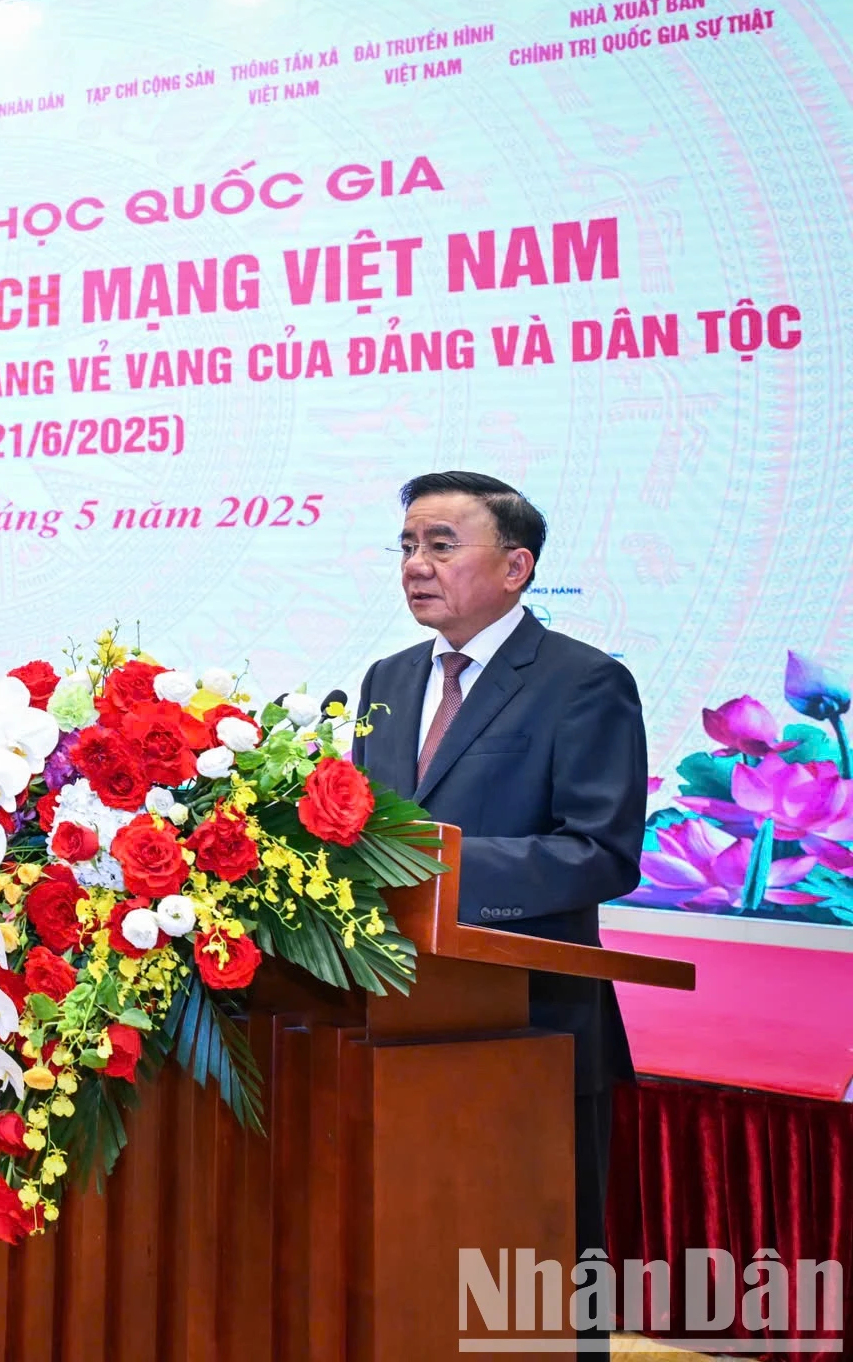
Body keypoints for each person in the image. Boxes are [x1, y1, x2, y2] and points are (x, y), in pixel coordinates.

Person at [350, 471, 643, 1263]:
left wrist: (436, 867)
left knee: (536, 1271)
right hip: (397, 1017)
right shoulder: (389, 677)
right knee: (414, 1266)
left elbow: (602, 851)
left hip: (532, 1021)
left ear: (517, 567)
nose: (416, 565)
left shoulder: (584, 681)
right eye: (407, 545)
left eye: (441, 545)